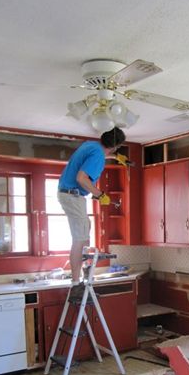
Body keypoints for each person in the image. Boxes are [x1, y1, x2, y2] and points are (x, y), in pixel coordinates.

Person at [57, 127, 126, 300]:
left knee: (85, 230)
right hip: (73, 196)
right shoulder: (97, 156)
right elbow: (81, 178)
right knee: (79, 239)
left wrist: (115, 157)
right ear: (115, 146)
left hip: (70, 194)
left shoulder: (91, 145)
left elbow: (94, 158)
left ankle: (86, 269)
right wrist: (100, 194)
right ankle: (76, 285)